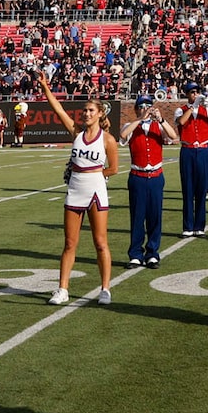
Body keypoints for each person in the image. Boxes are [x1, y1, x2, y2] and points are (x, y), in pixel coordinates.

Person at [35, 73, 119, 306]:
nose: (86, 113)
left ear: (100, 113)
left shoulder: (107, 140)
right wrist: (45, 87)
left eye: (91, 111)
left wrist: (93, 174)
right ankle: (63, 289)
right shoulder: (76, 133)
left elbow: (113, 169)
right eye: (85, 111)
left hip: (96, 191)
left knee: (100, 242)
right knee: (70, 243)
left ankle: (105, 289)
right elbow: (58, 109)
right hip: (74, 190)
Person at [126, 98, 174, 267]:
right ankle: (135, 253)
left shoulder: (158, 126)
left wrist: (160, 119)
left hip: (155, 176)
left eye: (148, 106)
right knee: (137, 217)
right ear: (137, 110)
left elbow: (173, 136)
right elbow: (123, 136)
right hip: (137, 176)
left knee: (155, 216)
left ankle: (152, 253)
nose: (145, 109)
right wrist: (140, 119)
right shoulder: (131, 126)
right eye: (142, 107)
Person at [179, 94, 208, 235]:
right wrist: (193, 107)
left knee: (201, 190)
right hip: (187, 150)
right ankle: (188, 226)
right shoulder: (181, 109)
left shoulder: (206, 110)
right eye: (192, 92)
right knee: (188, 190)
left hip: (203, 150)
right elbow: (182, 122)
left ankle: (199, 226)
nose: (195, 94)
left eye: (197, 92)